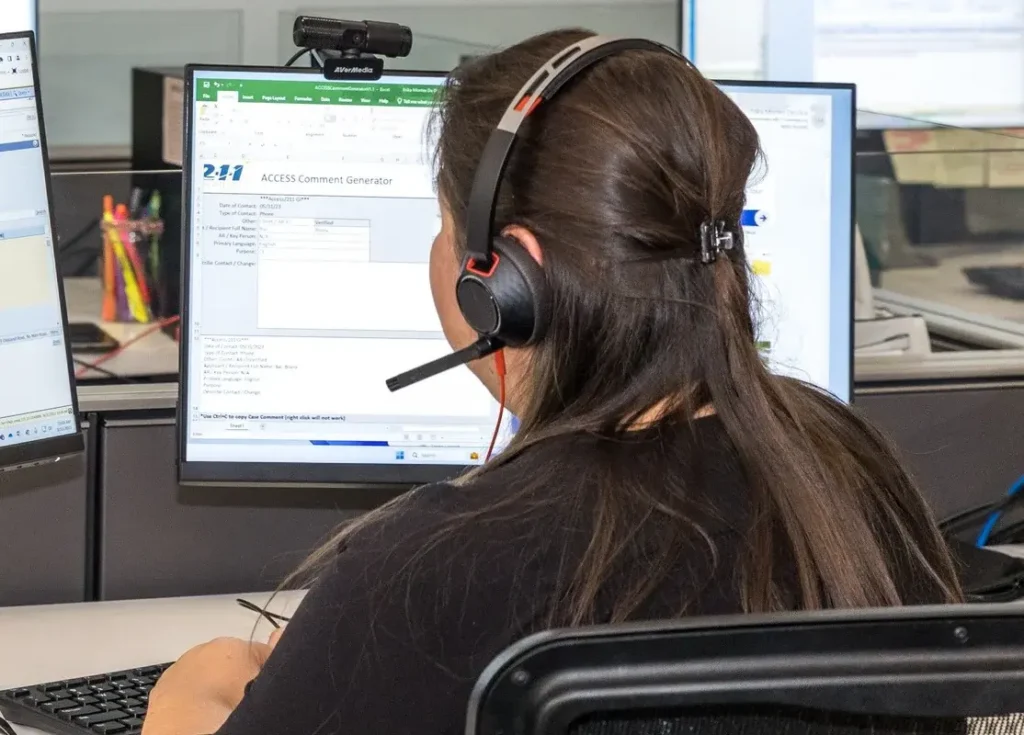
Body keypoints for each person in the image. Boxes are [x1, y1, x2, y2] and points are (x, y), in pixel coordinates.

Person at [142, 28, 962, 735]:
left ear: (503, 279)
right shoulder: (850, 471)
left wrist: (192, 686)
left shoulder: (437, 568)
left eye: (441, 226)